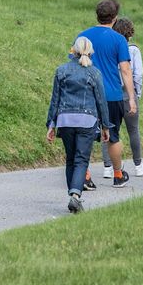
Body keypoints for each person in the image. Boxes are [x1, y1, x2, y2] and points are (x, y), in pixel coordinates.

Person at [75, 0, 135, 188]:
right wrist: (131, 98)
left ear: (97, 15)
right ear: (115, 18)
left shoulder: (82, 36)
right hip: (112, 95)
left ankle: (84, 176)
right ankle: (118, 175)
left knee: (85, 135)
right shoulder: (119, 39)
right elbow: (125, 70)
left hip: (86, 94)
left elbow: (74, 63)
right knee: (113, 136)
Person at [46, 36, 110, 214]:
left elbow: (55, 100)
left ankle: (72, 195)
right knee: (81, 159)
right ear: (90, 52)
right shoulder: (94, 73)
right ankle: (75, 196)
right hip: (87, 121)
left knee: (70, 158)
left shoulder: (61, 70)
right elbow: (101, 101)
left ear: (73, 50)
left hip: (65, 120)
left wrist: (51, 124)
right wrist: (105, 126)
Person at [100, 16, 143, 179]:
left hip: (112, 94)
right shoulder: (133, 50)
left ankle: (107, 166)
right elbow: (138, 74)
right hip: (128, 94)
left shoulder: (110, 48)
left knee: (108, 130)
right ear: (130, 33)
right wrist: (136, 93)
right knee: (133, 130)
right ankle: (138, 165)